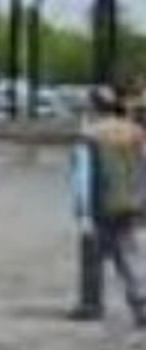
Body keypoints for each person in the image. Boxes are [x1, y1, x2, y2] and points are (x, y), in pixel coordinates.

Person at [69, 87, 146, 326]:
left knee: (92, 253)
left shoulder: (91, 135)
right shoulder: (135, 131)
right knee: (127, 251)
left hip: (100, 203)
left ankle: (91, 303)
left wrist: (81, 210)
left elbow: (82, 175)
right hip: (131, 200)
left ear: (94, 107)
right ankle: (140, 302)